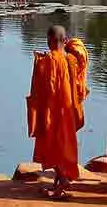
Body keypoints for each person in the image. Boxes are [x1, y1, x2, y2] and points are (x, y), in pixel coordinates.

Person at [27, 26, 87, 201]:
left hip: (51, 111)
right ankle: (60, 179)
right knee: (64, 143)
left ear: (49, 41)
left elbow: (41, 90)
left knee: (53, 144)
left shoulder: (46, 61)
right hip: (68, 110)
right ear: (65, 40)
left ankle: (63, 181)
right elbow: (78, 83)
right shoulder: (71, 59)